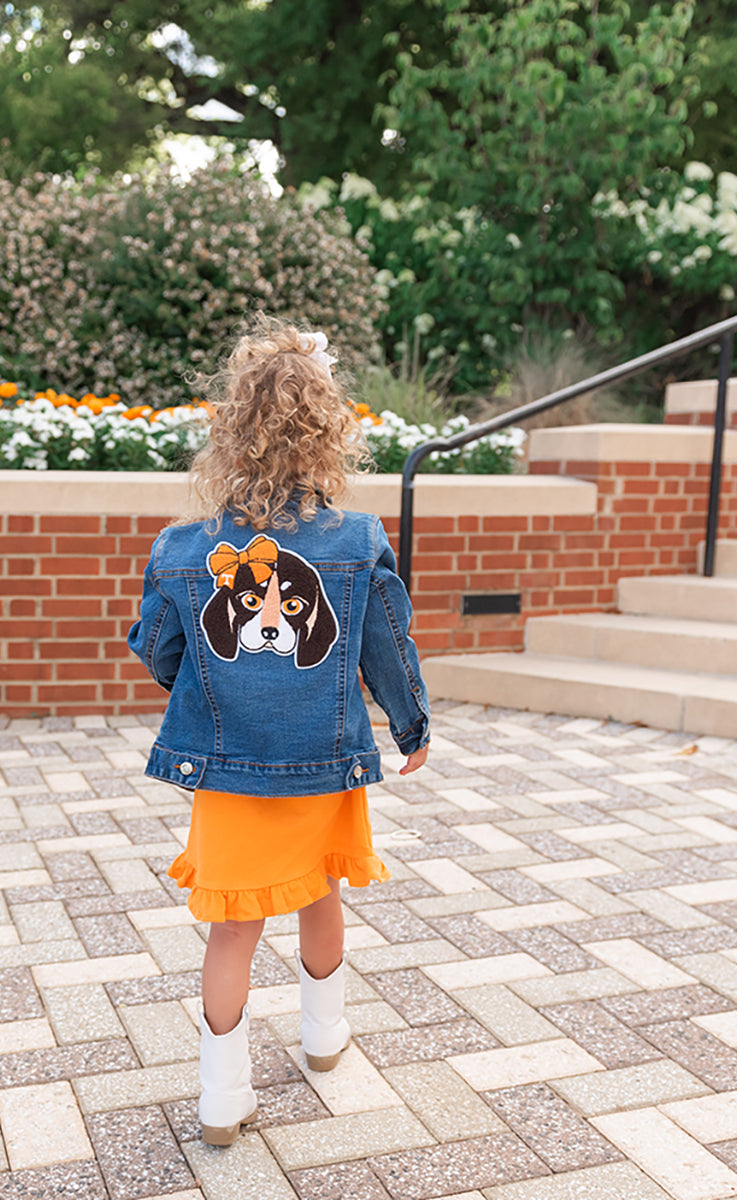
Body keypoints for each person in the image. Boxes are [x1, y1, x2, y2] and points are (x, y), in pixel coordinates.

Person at [127, 316, 430, 1146]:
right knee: (320, 887)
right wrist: (412, 726)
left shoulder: (181, 548)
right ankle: (325, 1037)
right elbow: (387, 645)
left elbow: (159, 651)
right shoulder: (357, 540)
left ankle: (221, 1097)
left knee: (233, 924)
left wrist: (213, 690)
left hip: (228, 770)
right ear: (328, 433)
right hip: (322, 761)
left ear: (230, 430)